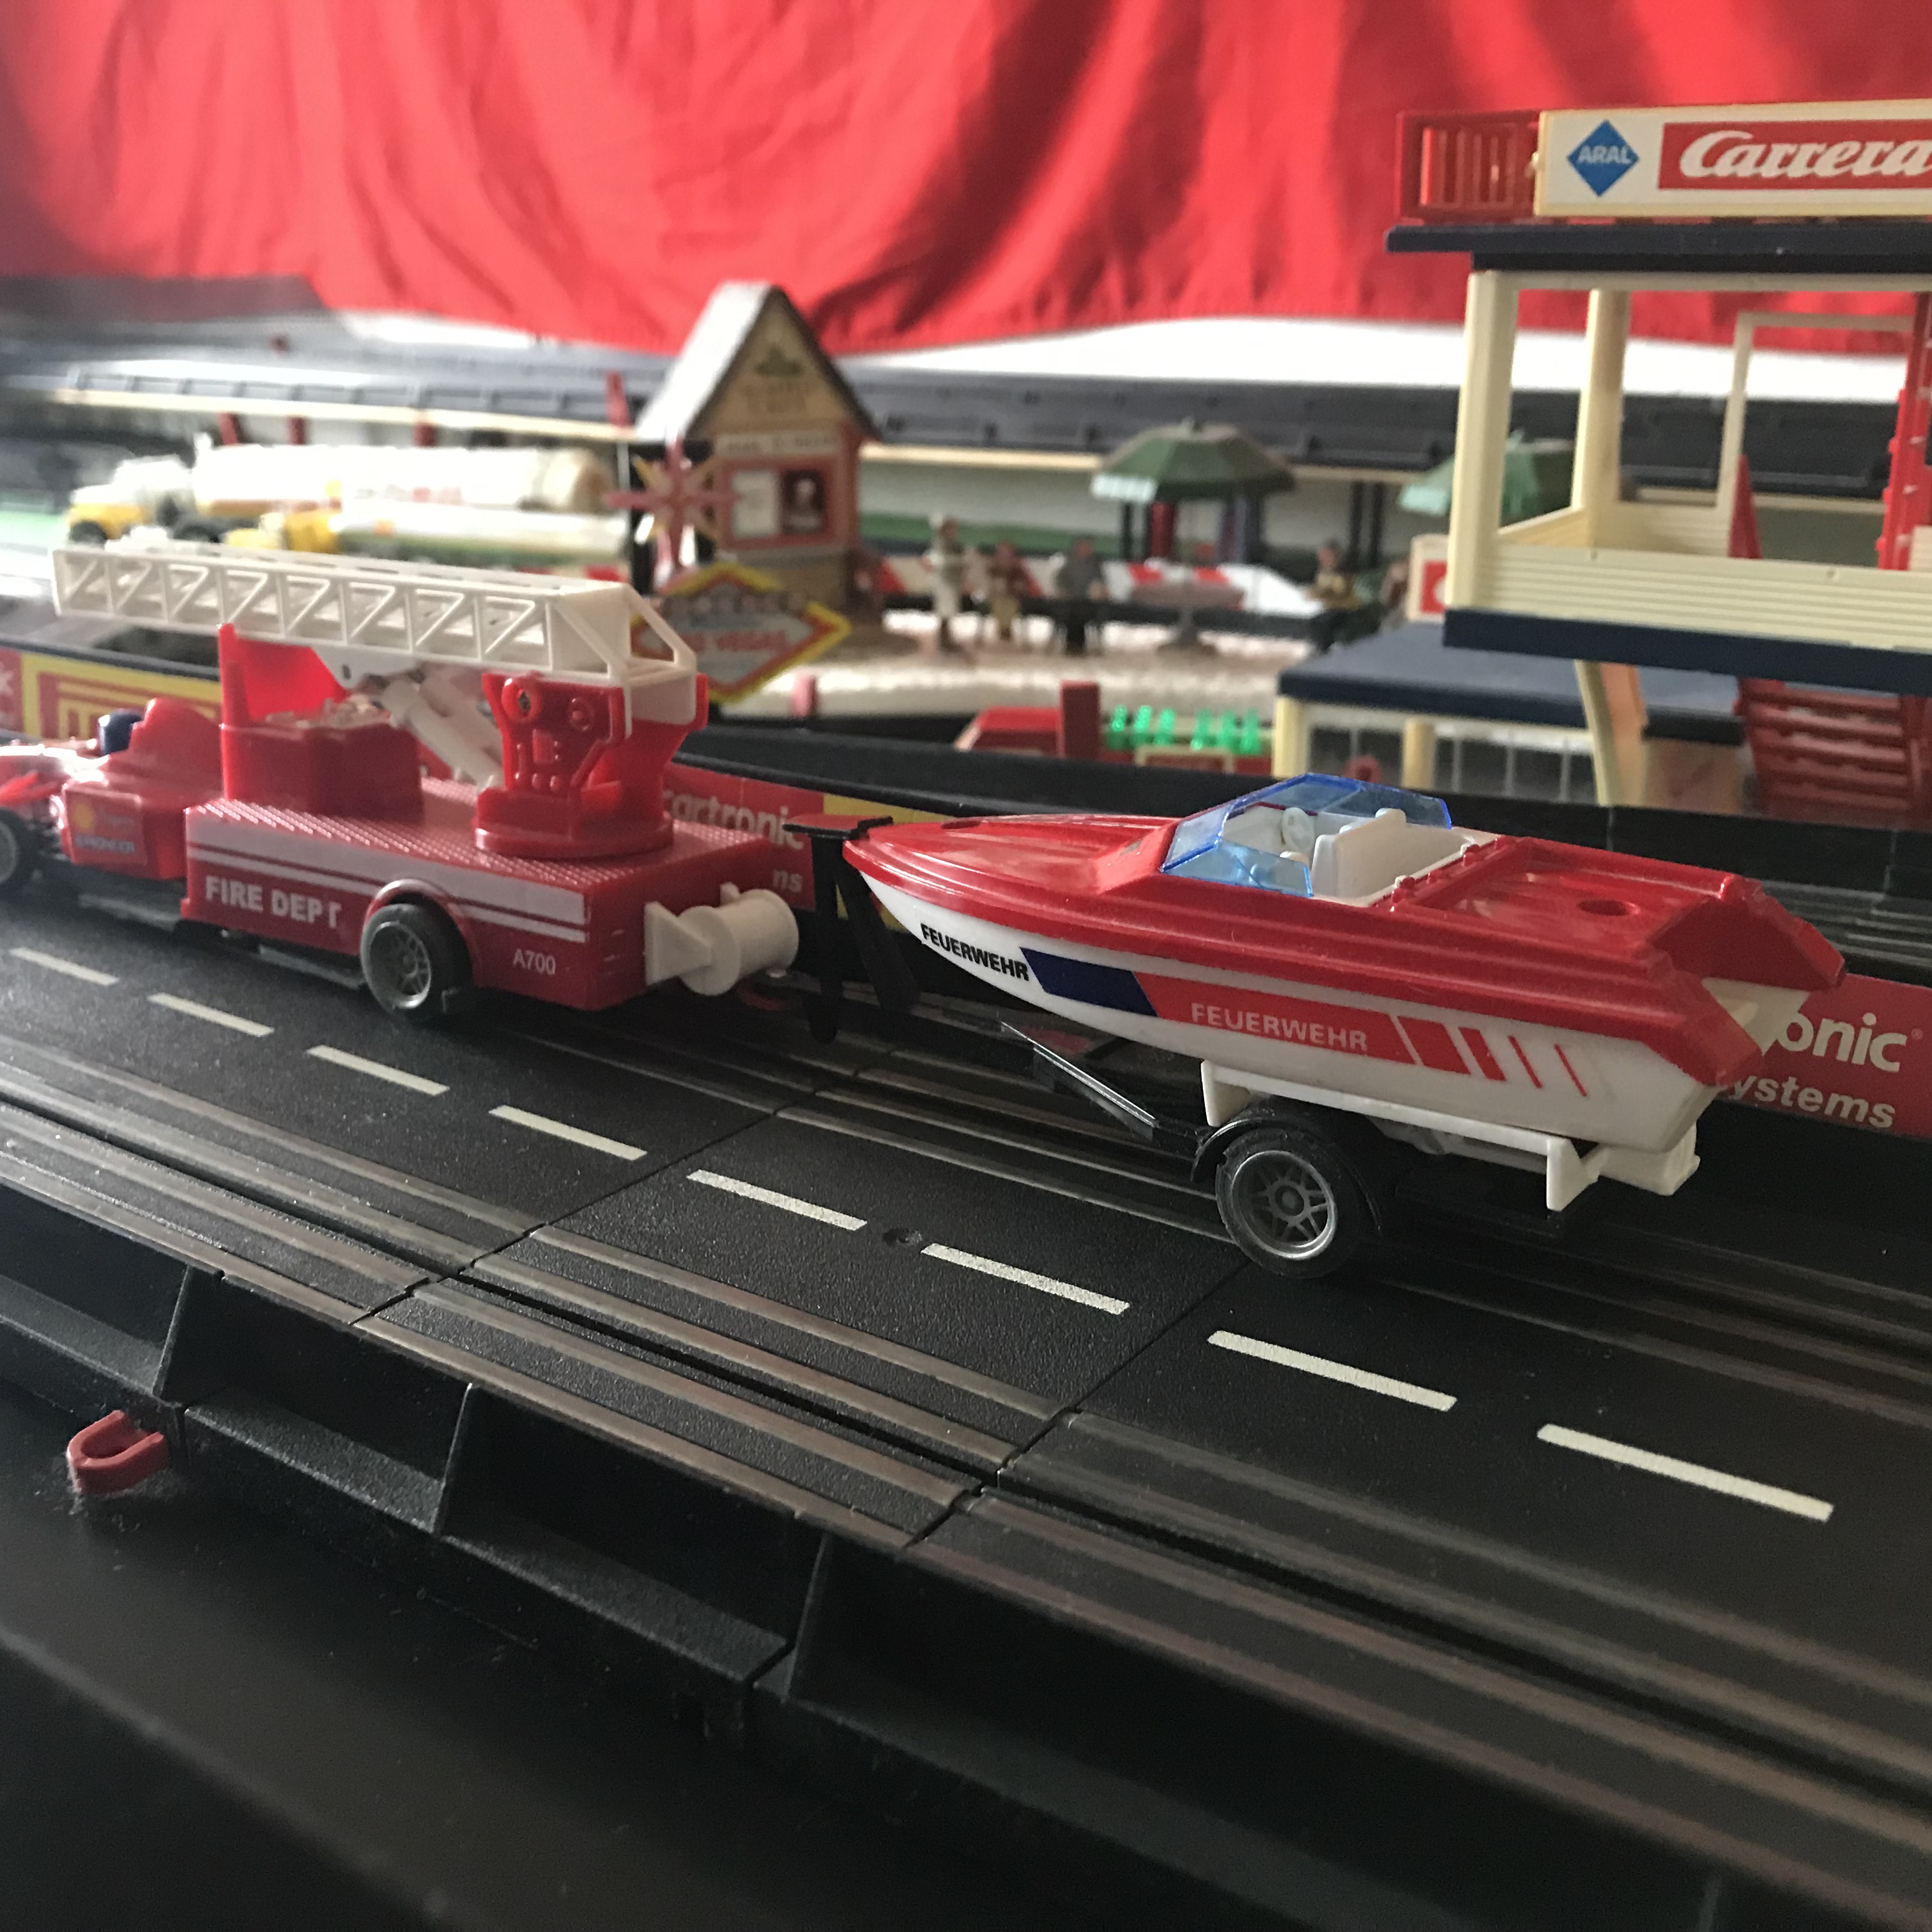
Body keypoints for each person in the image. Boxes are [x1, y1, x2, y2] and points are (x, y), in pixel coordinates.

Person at [1308, 540, 1363, 652]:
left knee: (1325, 623)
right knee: (1315, 622)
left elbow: (1339, 591)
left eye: (1327, 556)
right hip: (1330, 608)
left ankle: (1324, 649)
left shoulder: (1344, 573)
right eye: (1322, 556)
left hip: (1347, 610)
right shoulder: (1324, 572)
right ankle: (1320, 648)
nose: (1323, 560)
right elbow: (1319, 588)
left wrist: (1321, 593)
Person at [924, 514, 968, 652]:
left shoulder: (952, 544)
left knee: (948, 613)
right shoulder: (940, 544)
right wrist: (960, 562)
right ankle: (944, 642)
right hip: (943, 582)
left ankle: (946, 640)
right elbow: (941, 561)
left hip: (950, 581)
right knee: (944, 613)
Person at [1054, 536, 1104, 655]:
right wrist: (1063, 591)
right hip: (1071, 600)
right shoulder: (1069, 564)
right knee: (1071, 612)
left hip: (1089, 601)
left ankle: (1079, 646)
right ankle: (1072, 646)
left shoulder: (1095, 565)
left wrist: (1098, 590)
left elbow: (1100, 581)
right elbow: (1060, 579)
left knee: (1083, 612)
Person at [986, 540, 1029, 644]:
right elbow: (988, 584)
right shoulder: (992, 568)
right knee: (998, 603)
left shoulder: (1018, 569)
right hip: (996, 596)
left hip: (1013, 596)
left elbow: (1023, 585)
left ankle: (1006, 629)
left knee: (1011, 604)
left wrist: (1013, 588)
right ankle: (1003, 629)